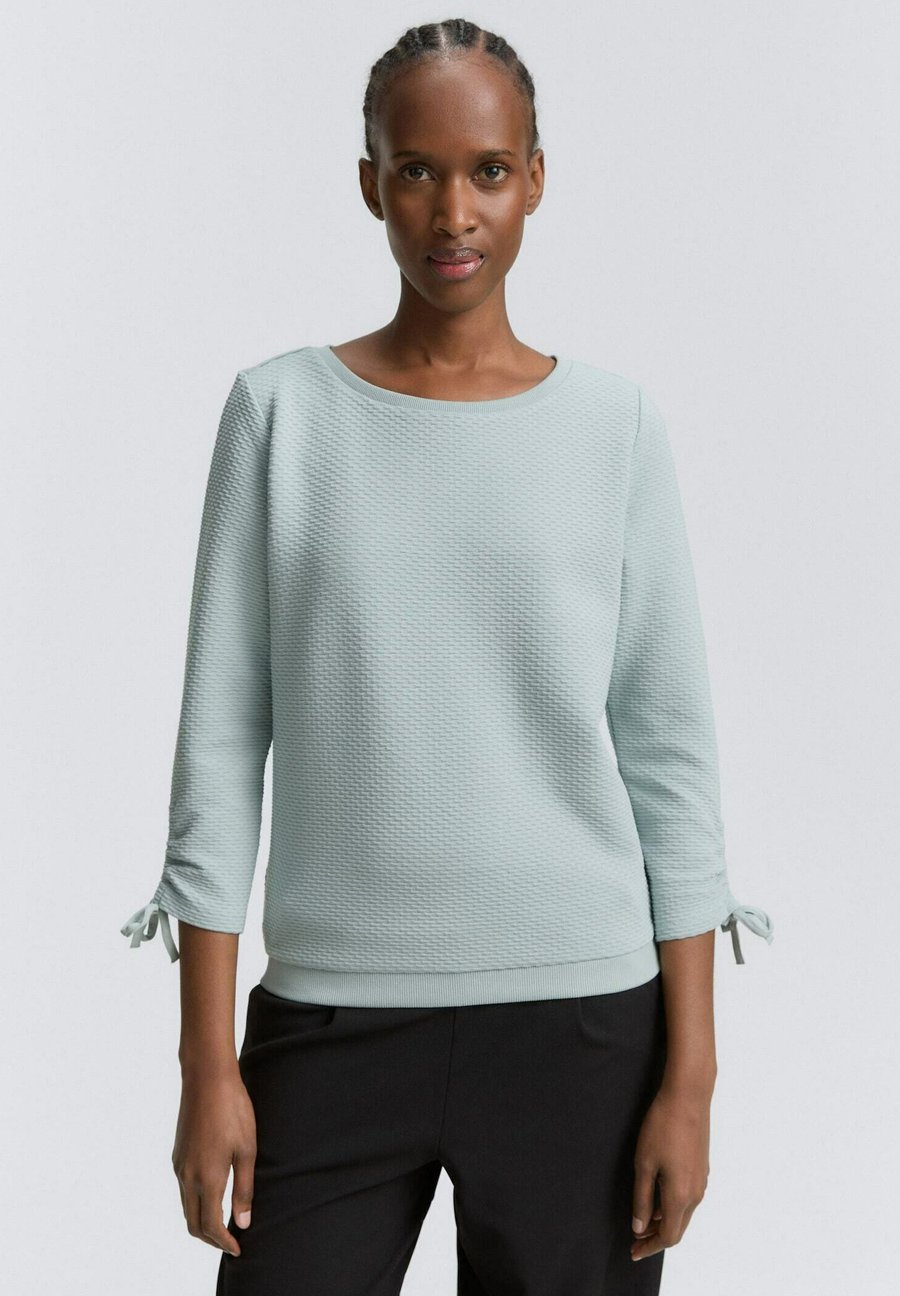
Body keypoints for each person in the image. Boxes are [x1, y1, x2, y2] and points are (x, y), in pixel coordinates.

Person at [120, 17, 774, 1296]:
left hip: (582, 1028)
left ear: (536, 179)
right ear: (371, 182)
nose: (454, 212)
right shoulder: (279, 416)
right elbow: (219, 747)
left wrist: (691, 1079)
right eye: (417, 171)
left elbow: (670, 758)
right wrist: (206, 1064)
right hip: (333, 1021)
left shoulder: (614, 428)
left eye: (488, 170)